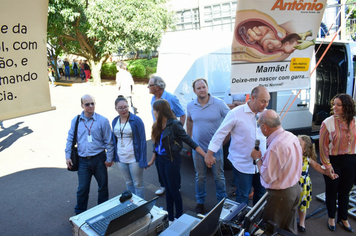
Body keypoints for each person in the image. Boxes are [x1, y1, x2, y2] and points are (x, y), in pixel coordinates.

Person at [205, 86, 269, 205]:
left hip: (261, 163)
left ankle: (256, 221)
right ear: (253, 98)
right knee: (243, 196)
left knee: (260, 194)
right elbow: (220, 134)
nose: (266, 104)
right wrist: (209, 154)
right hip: (242, 165)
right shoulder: (235, 113)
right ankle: (240, 222)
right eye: (263, 101)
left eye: (267, 101)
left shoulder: (265, 114)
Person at [148, 99, 207, 222]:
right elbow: (156, 145)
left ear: (159, 111)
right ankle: (170, 218)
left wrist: (205, 155)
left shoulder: (174, 125)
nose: (153, 112)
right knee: (168, 190)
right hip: (161, 161)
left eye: (154, 110)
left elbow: (189, 141)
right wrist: (152, 161)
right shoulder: (157, 124)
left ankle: (178, 217)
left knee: (174, 191)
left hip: (171, 161)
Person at [250, 109, 302, 234]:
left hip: (280, 196)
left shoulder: (275, 147)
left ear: (264, 127)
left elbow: (267, 177)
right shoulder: (291, 136)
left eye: (259, 126)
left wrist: (257, 158)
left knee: (270, 230)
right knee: (288, 229)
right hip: (295, 189)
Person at [65, 94, 114, 215]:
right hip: (82, 161)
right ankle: (80, 213)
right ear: (82, 105)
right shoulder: (76, 121)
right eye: (87, 104)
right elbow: (70, 139)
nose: (90, 106)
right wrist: (67, 156)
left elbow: (109, 141)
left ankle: (103, 211)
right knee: (82, 189)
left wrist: (109, 158)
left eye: (93, 103)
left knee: (103, 187)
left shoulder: (102, 120)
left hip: (99, 159)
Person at [186, 78, 229, 214]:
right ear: (194, 91)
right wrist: (189, 140)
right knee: (200, 176)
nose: (202, 90)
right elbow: (189, 120)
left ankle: (222, 201)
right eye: (198, 88)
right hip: (198, 149)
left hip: (216, 149)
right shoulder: (190, 105)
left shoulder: (219, 104)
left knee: (219, 176)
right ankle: (200, 202)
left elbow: (231, 120)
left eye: (203, 87)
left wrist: (224, 140)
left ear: (207, 88)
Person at [319, 93, 356, 232]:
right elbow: (323, 148)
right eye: (334, 104)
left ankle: (344, 218)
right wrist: (327, 166)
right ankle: (331, 218)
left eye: (338, 105)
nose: (335, 107)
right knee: (332, 190)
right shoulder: (327, 122)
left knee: (345, 191)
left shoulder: (354, 121)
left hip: (351, 160)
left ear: (347, 106)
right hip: (333, 161)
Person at [148, 74, 186, 195]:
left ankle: (177, 186)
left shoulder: (171, 98)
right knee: (159, 161)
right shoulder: (153, 99)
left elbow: (182, 114)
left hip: (170, 137)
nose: (148, 87)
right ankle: (163, 185)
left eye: (150, 85)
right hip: (158, 134)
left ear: (157, 87)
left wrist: (177, 133)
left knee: (172, 162)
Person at [297, 135, 339, 232]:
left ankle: (301, 222)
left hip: (303, 185)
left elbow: (318, 167)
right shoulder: (292, 156)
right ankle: (289, 222)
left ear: (305, 150)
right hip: (292, 184)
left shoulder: (307, 159)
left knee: (303, 205)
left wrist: (328, 173)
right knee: (290, 205)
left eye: (298, 144)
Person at [112, 96, 147, 199]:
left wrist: (143, 160)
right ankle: (132, 205)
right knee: (128, 182)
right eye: (120, 108)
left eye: (125, 107)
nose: (124, 110)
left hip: (134, 158)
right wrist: (114, 156)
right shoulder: (114, 121)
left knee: (138, 184)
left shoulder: (136, 120)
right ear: (116, 109)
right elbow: (114, 140)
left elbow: (142, 140)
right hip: (121, 158)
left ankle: (140, 206)